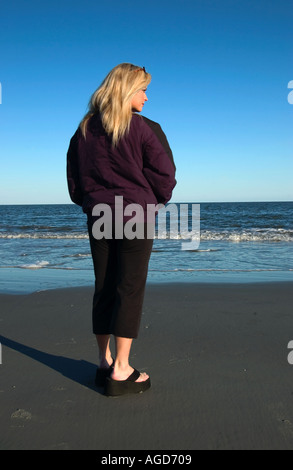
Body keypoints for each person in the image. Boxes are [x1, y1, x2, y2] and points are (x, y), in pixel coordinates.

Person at [66, 63, 176, 396]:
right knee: (129, 288)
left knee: (104, 285)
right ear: (126, 90)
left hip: (98, 214)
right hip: (136, 215)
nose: (146, 96)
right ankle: (122, 369)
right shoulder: (144, 128)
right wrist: (152, 201)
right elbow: (165, 175)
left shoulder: (84, 129)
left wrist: (91, 201)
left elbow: (75, 181)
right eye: (142, 89)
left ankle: (104, 362)